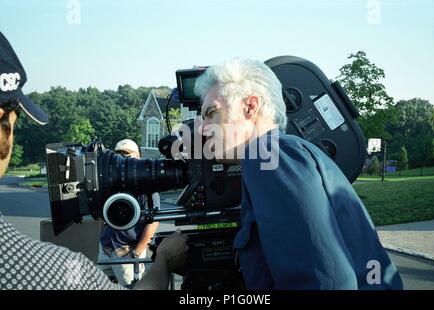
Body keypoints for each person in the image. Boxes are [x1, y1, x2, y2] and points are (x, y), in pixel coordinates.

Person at [194, 57, 403, 290]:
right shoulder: (284, 152)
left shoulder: (267, 154)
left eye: (211, 113)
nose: (202, 128)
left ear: (250, 107)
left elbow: (325, 282)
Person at [0, 31, 188, 290]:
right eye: (14, 120)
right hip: (110, 249)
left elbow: (151, 218)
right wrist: (164, 260)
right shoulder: (52, 272)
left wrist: (139, 249)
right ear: (4, 131)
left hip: (127, 253)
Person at [98, 139, 160, 286]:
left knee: (130, 287)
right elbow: (103, 214)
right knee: (99, 284)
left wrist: (137, 251)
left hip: (128, 251)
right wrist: (101, 238)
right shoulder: (111, 184)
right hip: (106, 248)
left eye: (127, 156)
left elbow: (154, 220)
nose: (124, 160)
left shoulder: (147, 186)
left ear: (138, 157)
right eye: (119, 156)